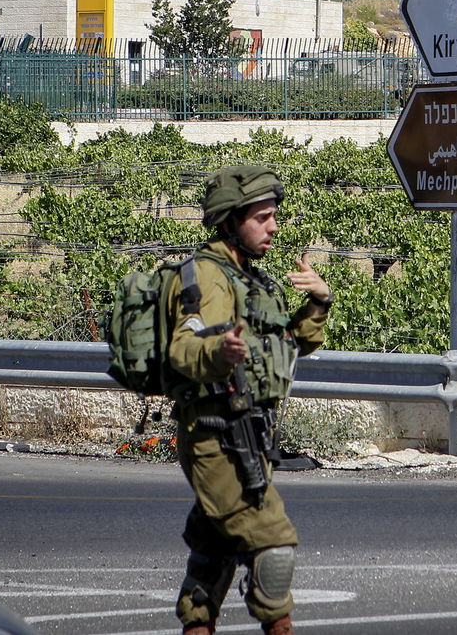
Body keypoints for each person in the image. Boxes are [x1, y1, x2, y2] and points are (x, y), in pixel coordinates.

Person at [167, 165, 331, 635]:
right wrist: (217, 350)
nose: (273, 226)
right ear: (228, 221)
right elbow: (184, 347)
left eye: (273, 215)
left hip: (248, 433)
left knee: (213, 555)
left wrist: (318, 302)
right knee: (272, 549)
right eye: (261, 217)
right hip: (216, 436)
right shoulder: (207, 279)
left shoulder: (250, 279)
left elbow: (289, 346)